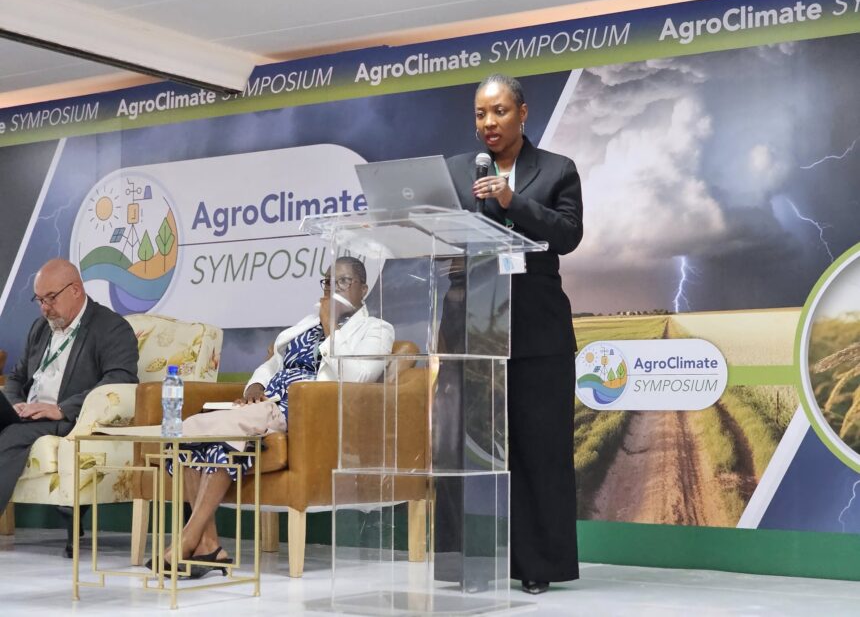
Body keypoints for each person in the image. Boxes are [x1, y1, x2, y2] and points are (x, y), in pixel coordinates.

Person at [154, 256, 394, 577]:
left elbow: (357, 379)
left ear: (363, 289)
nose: (333, 289)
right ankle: (209, 544)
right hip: (267, 405)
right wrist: (255, 385)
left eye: (343, 282)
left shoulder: (377, 330)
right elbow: (272, 365)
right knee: (192, 437)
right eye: (327, 282)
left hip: (307, 411)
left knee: (207, 429)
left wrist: (330, 329)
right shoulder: (306, 324)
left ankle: (189, 538)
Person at [446, 74, 583, 594]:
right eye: (480, 113)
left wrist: (511, 200)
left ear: (522, 113)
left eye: (499, 111)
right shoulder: (456, 172)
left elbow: (568, 234)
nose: (488, 123)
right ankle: (467, 559)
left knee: (539, 451)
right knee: (467, 452)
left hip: (536, 333)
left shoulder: (557, 170)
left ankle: (537, 565)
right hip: (470, 331)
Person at [0, 258, 139, 513]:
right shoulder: (40, 328)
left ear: (75, 290)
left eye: (51, 298)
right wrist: (14, 405)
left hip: (69, 420)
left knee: (10, 436)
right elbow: (17, 377)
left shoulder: (111, 328)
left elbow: (121, 380)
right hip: (28, 415)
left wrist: (62, 409)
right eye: (39, 300)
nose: (45, 308)